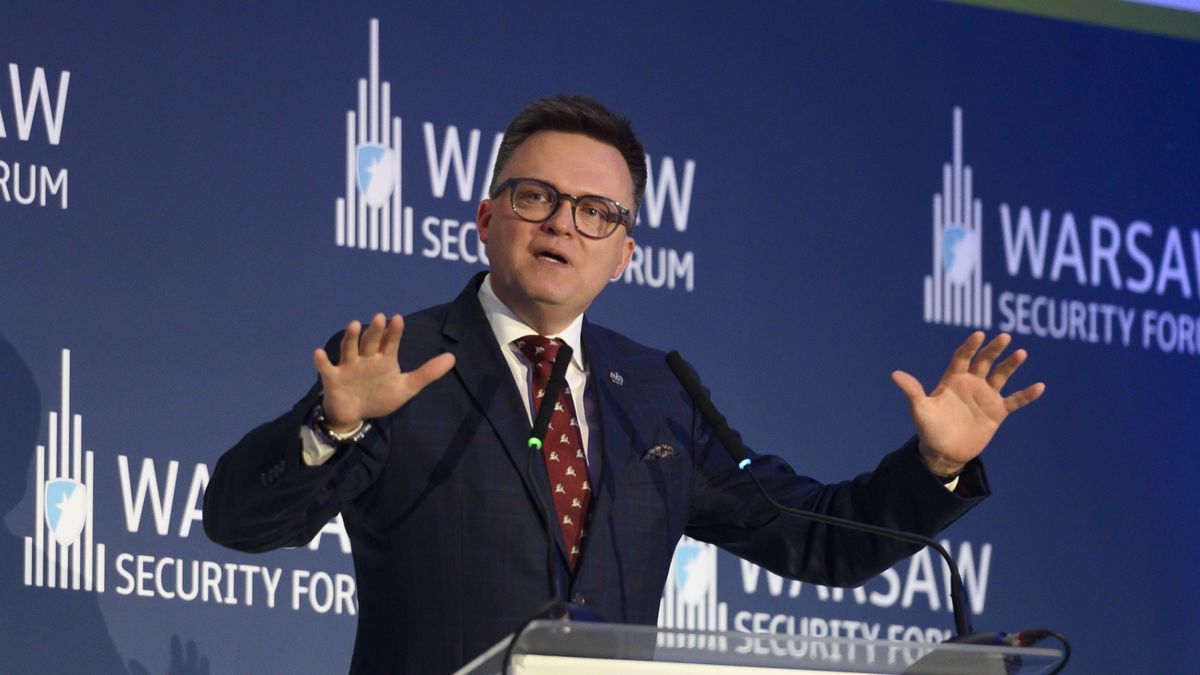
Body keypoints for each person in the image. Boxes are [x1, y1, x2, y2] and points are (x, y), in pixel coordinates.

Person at [203, 95, 1044, 674]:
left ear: (625, 253)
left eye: (596, 211)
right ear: (488, 220)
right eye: (536, 196)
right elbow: (239, 518)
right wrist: (332, 426)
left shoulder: (655, 390)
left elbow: (814, 537)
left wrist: (932, 466)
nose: (563, 222)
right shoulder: (398, 362)